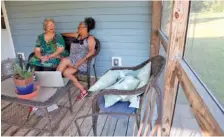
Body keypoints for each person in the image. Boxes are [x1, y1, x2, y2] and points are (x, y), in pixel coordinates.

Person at [58, 17, 96, 101]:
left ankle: (54, 86)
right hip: (73, 60)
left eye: (79, 27)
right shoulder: (77, 35)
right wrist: (58, 34)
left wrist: (80, 62)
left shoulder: (90, 38)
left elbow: (92, 52)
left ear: (85, 28)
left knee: (64, 60)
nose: (77, 28)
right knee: (66, 72)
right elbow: (65, 34)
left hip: (83, 62)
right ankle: (83, 90)